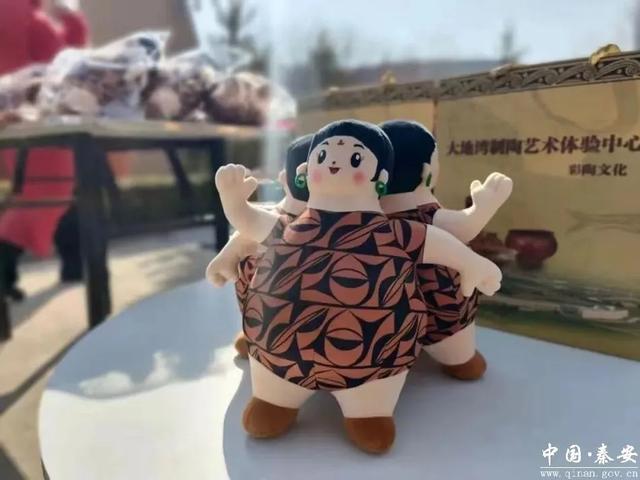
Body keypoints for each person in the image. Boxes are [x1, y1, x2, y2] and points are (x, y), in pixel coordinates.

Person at [214, 119, 502, 453]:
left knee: (372, 409)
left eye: (354, 159)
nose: (335, 163)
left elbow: (438, 242)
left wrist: (473, 264)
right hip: (277, 354)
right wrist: (233, 201)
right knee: (271, 389)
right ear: (306, 171)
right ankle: (275, 401)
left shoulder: (392, 232)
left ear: (381, 179)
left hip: (374, 361)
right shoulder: (286, 227)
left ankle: (368, 413)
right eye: (324, 156)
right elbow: (249, 222)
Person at [0, 0, 89, 300]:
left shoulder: (24, 15)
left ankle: (73, 266)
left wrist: (71, 22)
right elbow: (64, 62)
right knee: (47, 194)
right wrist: (73, 22)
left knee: (60, 194)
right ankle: (4, 274)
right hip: (37, 121)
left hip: (24, 119)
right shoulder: (23, 16)